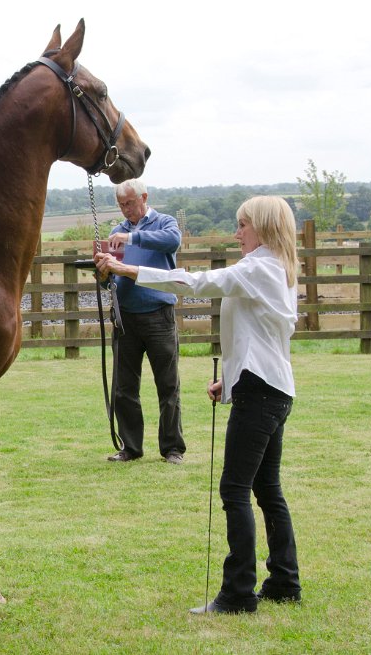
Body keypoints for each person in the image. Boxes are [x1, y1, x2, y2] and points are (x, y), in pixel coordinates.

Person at [95, 195, 302, 614]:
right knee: (266, 488)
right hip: (273, 387)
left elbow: (193, 282)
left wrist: (126, 268)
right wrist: (229, 379)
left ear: (261, 227)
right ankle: (284, 581)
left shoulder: (258, 268)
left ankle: (239, 594)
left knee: (235, 490)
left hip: (261, 393)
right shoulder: (277, 269)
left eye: (242, 225)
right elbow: (262, 334)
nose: (236, 232)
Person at [103, 179, 185, 464]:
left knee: (167, 383)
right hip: (125, 317)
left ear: (144, 197)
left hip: (158, 315)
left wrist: (132, 238)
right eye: (121, 205)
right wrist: (103, 272)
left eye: (129, 203)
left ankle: (172, 448)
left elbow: (172, 241)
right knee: (124, 387)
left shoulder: (165, 223)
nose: (126, 210)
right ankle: (131, 447)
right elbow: (110, 277)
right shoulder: (116, 232)